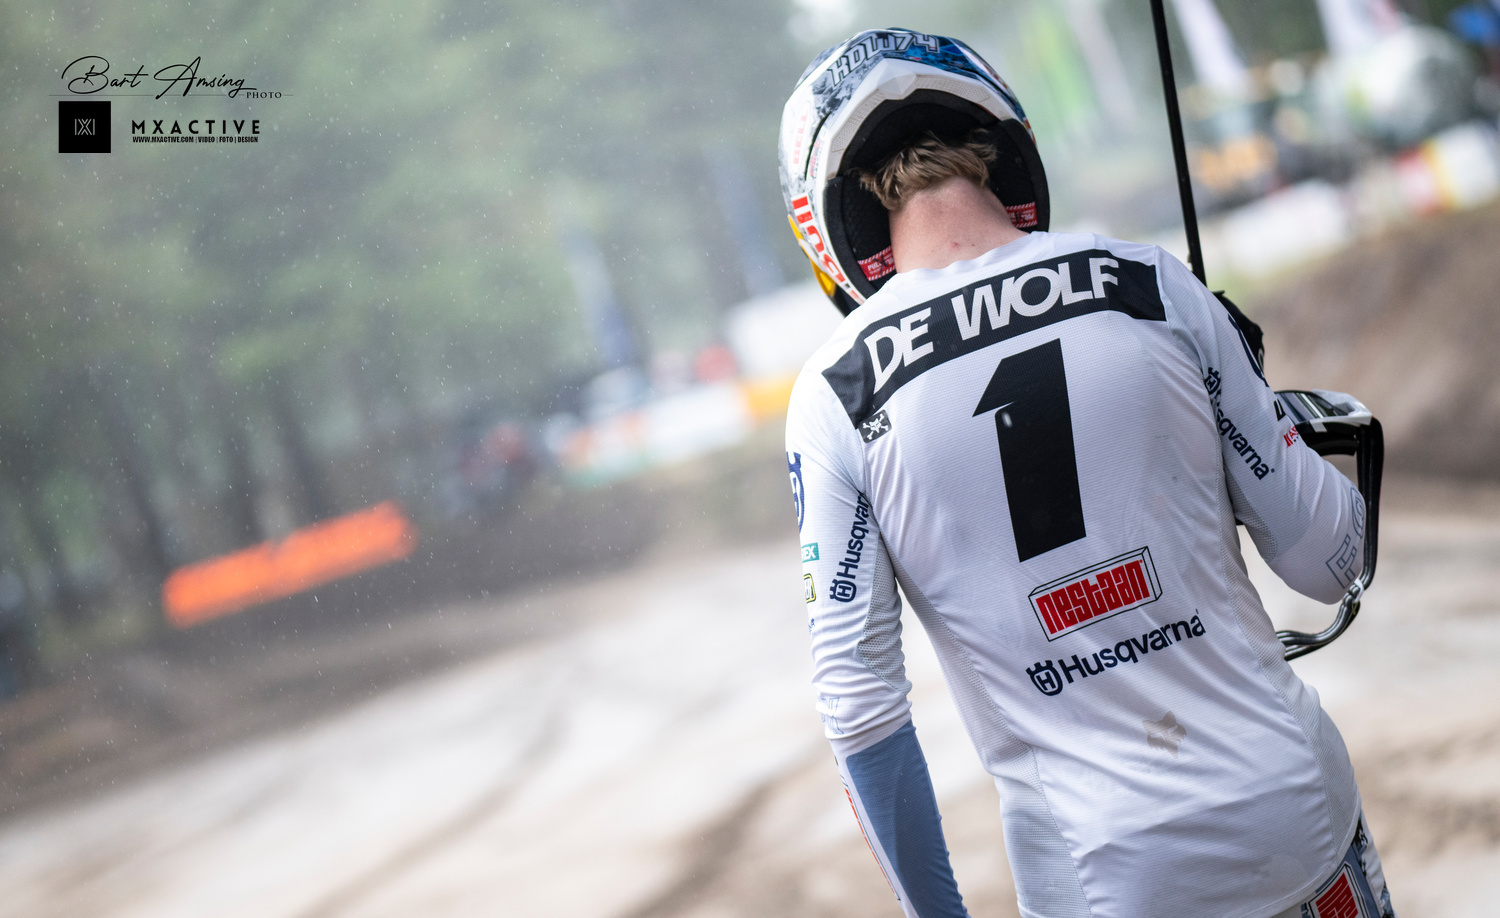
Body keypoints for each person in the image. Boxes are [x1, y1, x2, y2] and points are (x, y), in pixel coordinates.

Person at [779, 29, 1395, 918]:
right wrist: (1261, 414)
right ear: (1001, 141)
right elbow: (1328, 562)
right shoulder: (1151, 282)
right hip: (1295, 817)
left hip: (1100, 879)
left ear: (830, 214)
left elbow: (858, 708)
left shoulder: (837, 391)